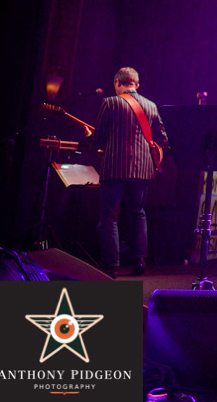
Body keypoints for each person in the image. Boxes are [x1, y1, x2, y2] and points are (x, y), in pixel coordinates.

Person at [87, 67, 168, 278]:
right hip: (142, 169)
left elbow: (99, 138)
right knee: (138, 213)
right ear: (137, 85)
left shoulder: (110, 103)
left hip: (115, 166)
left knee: (109, 217)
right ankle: (140, 261)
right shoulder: (151, 106)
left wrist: (89, 136)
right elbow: (163, 138)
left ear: (117, 83)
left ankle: (111, 265)